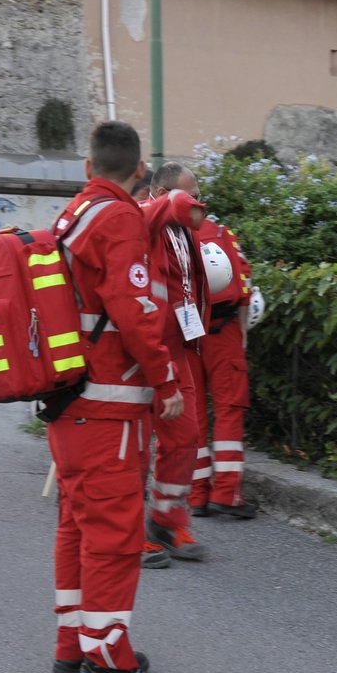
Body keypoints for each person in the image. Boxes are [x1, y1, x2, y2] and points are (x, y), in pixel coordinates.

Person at [48, 121, 184, 673]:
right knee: (115, 536)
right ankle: (106, 662)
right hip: (107, 407)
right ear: (137, 173)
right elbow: (133, 313)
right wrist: (167, 380)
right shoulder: (120, 218)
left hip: (68, 403)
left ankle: (74, 644)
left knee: (77, 525)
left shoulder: (71, 216)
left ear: (87, 166)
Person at [138, 163, 211, 565]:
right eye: (190, 196)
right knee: (134, 450)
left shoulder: (183, 231)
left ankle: (166, 520)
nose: (198, 205)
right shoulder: (140, 217)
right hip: (140, 352)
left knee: (185, 436)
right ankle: (129, 532)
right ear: (164, 195)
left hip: (178, 348)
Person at [188, 212, 256, 518]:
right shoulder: (221, 233)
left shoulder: (166, 235)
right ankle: (227, 494)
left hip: (186, 332)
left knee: (195, 413)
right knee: (229, 408)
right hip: (223, 331)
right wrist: (241, 332)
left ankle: (197, 494)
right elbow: (243, 284)